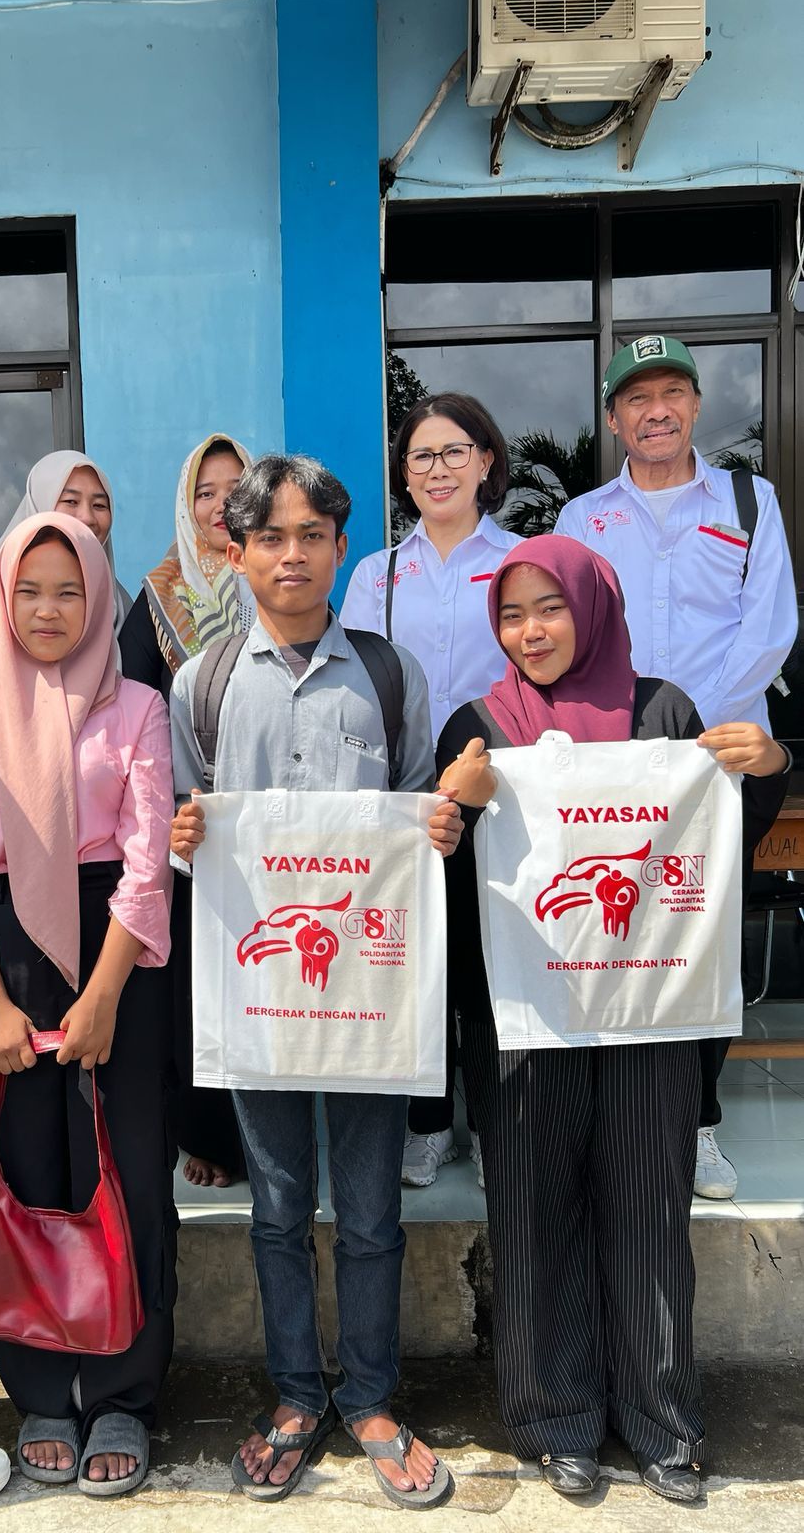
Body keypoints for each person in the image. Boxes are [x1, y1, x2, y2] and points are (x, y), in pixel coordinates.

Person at [437, 534, 789, 1504]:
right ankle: (555, 1419)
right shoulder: (476, 727)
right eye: (511, 614)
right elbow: (439, 873)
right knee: (533, 1215)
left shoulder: (662, 711)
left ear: (593, 607)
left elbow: (716, 834)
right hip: (522, 1020)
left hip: (647, 1013)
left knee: (646, 1211)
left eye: (549, 607)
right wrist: (455, 811)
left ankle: (661, 1422)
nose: (530, 630)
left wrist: (764, 765)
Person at [169, 455, 463, 1509]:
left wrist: (437, 828)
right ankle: (297, 1394)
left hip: (365, 996)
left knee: (372, 1210)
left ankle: (372, 1398)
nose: (290, 555)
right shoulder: (200, 685)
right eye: (269, 537)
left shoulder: (388, 675)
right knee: (278, 1207)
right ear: (235, 550)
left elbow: (417, 823)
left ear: (341, 548)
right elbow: (185, 842)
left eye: (311, 536)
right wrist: (183, 841)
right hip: (261, 1000)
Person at [0, 513, 176, 1498]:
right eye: (27, 589)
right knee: (22, 1170)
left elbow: (147, 865)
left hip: (116, 955)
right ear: (1, 596)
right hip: (5, 958)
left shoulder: (137, 706)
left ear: (98, 600)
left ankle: (122, 1391)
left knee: (128, 1174)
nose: (47, 609)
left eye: (68, 590)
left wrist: (106, 992)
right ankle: (38, 1388)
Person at [555, 335, 797, 1201]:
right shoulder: (582, 519)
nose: (655, 411)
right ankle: (621, 1111)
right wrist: (623, 740)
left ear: (694, 405)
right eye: (636, 397)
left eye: (671, 393)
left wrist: (687, 735)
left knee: (702, 940)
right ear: (614, 418)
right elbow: (568, 637)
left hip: (722, 760)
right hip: (616, 769)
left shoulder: (748, 500)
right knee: (616, 934)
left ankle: (695, 1123)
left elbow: (768, 627)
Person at [341, 393, 522, 1190]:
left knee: (489, 964)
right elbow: (356, 680)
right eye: (421, 456)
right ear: (404, 475)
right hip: (408, 790)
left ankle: (489, 1122)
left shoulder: (522, 559)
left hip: (501, 783)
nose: (438, 469)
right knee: (415, 962)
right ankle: (425, 1123)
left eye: (454, 452)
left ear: (485, 461)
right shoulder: (377, 574)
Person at [120, 432, 254, 1188]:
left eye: (236, 489)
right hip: (188, 822)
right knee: (196, 986)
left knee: (266, 966)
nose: (221, 505)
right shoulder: (158, 596)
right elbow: (135, 710)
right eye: (205, 492)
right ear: (185, 503)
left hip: (269, 814)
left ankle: (273, 1127)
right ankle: (208, 1136)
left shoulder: (278, 576)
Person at [0, 450, 132, 667]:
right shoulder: (0, 592)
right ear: (41, 503)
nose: (87, 517)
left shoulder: (118, 599)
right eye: (71, 501)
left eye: (99, 505)